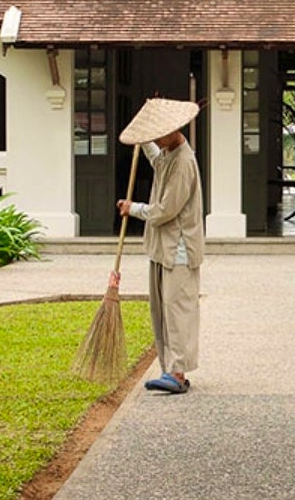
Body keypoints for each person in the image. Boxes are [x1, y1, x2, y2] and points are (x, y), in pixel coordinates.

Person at [116, 98, 205, 394]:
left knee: (177, 309)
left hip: (178, 248)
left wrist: (134, 208)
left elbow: (166, 209)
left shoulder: (183, 162)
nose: (156, 140)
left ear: (174, 130)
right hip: (161, 247)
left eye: (158, 135)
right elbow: (157, 162)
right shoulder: (169, 153)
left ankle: (178, 374)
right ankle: (170, 368)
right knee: (162, 310)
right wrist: (145, 143)